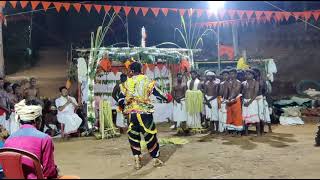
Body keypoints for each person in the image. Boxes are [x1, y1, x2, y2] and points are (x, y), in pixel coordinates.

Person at [118, 61, 170, 170]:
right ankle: (155, 159)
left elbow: (121, 99)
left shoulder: (127, 83)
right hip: (145, 113)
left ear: (131, 71)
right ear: (141, 70)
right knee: (150, 135)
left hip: (132, 113)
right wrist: (167, 98)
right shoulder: (147, 80)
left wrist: (124, 108)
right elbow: (158, 93)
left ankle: (137, 159)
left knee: (134, 135)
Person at [4, 99, 59, 179]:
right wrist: (56, 171)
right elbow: (49, 172)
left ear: (20, 120)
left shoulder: (8, 140)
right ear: (37, 120)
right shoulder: (45, 138)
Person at [252, 68, 272, 134]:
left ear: (257, 73)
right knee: (257, 114)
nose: (253, 73)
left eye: (254, 72)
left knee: (263, 114)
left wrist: (262, 97)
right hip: (256, 99)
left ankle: (264, 130)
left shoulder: (261, 80)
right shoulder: (254, 80)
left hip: (261, 98)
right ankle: (260, 130)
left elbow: (265, 91)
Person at [242, 70, 261, 136]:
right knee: (245, 117)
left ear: (253, 75)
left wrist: (249, 102)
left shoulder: (256, 83)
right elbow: (242, 93)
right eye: (246, 74)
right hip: (245, 101)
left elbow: (255, 93)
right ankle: (246, 132)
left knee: (255, 117)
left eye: (249, 74)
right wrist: (243, 101)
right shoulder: (243, 83)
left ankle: (258, 132)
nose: (247, 75)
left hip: (252, 102)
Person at [225, 69, 243, 135]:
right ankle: (232, 130)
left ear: (236, 74)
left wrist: (231, 98)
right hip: (229, 100)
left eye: (232, 74)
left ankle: (239, 131)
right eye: (230, 74)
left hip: (236, 99)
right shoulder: (228, 82)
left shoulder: (238, 82)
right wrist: (226, 99)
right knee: (230, 115)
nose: (231, 75)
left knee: (237, 115)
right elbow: (227, 92)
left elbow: (236, 91)